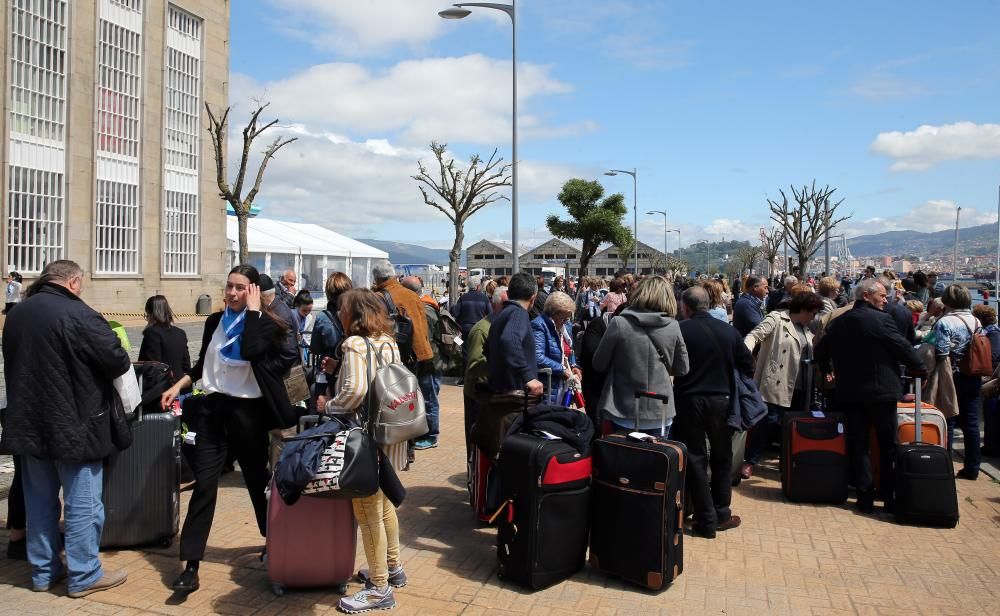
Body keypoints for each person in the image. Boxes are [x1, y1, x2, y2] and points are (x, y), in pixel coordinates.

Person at [160, 265, 299, 593]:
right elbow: (201, 365)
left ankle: (276, 542)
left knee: (256, 481)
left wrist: (252, 312)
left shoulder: (267, 324)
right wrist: (177, 385)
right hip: (212, 410)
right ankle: (191, 566)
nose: (232, 293)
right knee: (205, 485)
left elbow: (250, 350)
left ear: (252, 290)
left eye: (240, 288)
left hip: (247, 413)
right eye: (229, 287)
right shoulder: (213, 321)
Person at [0, 260, 131, 596]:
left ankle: (43, 572)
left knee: (39, 502)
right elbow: (117, 359)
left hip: (29, 423)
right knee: (83, 504)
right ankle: (84, 574)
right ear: (74, 282)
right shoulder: (79, 314)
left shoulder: (17, 314)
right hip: (77, 424)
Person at [323, 289, 408, 614]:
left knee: (367, 511)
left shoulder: (355, 344)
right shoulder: (388, 342)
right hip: (390, 432)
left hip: (364, 438)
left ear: (354, 314)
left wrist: (330, 405)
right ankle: (392, 567)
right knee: (384, 506)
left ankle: (379, 587)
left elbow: (355, 390)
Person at [815, 279, 926, 513]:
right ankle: (888, 495)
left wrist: (827, 369)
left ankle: (864, 497)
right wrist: (920, 367)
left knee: (859, 444)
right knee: (888, 445)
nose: (886, 300)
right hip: (881, 391)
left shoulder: (840, 322)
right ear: (867, 295)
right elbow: (902, 346)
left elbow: (821, 350)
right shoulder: (882, 320)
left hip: (851, 392)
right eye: (882, 296)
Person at [674, 285, 753, 538]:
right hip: (721, 399)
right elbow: (747, 365)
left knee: (696, 457)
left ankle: (705, 518)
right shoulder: (728, 332)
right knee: (722, 455)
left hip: (688, 399)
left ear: (685, 307)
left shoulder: (680, 330)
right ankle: (721, 512)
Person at [740, 286, 824, 479]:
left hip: (801, 385)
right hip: (777, 382)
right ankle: (750, 460)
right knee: (768, 421)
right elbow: (754, 335)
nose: (813, 316)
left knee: (792, 424)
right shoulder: (776, 319)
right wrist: (744, 355)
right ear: (802, 309)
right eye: (812, 312)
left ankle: (787, 461)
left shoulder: (807, 328)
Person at [592, 276, 689, 436]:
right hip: (660, 408)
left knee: (623, 458)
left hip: (622, 408)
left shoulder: (619, 323)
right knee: (658, 458)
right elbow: (682, 369)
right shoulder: (673, 326)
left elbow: (599, 364)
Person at [933, 284, 984, 480]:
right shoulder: (976, 321)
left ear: (947, 301)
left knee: (948, 419)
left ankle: (944, 465)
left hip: (951, 375)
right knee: (971, 423)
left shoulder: (945, 322)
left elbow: (941, 351)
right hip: (973, 374)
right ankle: (972, 467)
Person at [462, 286, 508, 460]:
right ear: (494, 305)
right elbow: (474, 365)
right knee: (477, 441)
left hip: (493, 395)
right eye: (505, 304)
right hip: (478, 396)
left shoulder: (502, 326)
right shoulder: (482, 330)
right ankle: (474, 477)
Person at [401, 276, 443, 451]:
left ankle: (431, 436)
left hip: (430, 362)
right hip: (429, 361)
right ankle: (425, 432)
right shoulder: (427, 305)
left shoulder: (424, 310)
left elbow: (427, 338)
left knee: (429, 399)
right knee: (426, 397)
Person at [485, 272, 544, 397]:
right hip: (516, 398)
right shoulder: (518, 313)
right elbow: (509, 340)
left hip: (499, 395)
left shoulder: (501, 315)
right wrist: (528, 376)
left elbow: (486, 349)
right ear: (533, 298)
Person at [372, 261, 432, 369]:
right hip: (415, 355)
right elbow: (422, 326)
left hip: (392, 356)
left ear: (377, 279)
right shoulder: (412, 295)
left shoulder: (377, 297)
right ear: (394, 275)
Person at [531, 291, 582, 404]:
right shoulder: (539, 325)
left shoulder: (565, 325)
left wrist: (573, 365)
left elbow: (570, 349)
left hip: (562, 386)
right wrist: (562, 370)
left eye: (567, 319)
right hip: (548, 387)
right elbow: (538, 357)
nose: (565, 322)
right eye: (562, 319)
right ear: (552, 314)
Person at [312, 272, 353, 408]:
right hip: (350, 370)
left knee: (324, 411)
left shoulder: (322, 318)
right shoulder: (356, 316)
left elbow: (315, 348)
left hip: (326, 371)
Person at [138, 295, 191, 390]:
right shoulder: (180, 333)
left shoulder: (151, 333)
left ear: (151, 314)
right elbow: (186, 365)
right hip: (181, 386)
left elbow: (153, 365)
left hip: (162, 390)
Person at [291, 290, 315, 367]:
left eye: (309, 310)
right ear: (297, 306)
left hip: (302, 346)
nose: (307, 313)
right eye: (304, 310)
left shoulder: (308, 316)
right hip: (293, 348)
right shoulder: (292, 315)